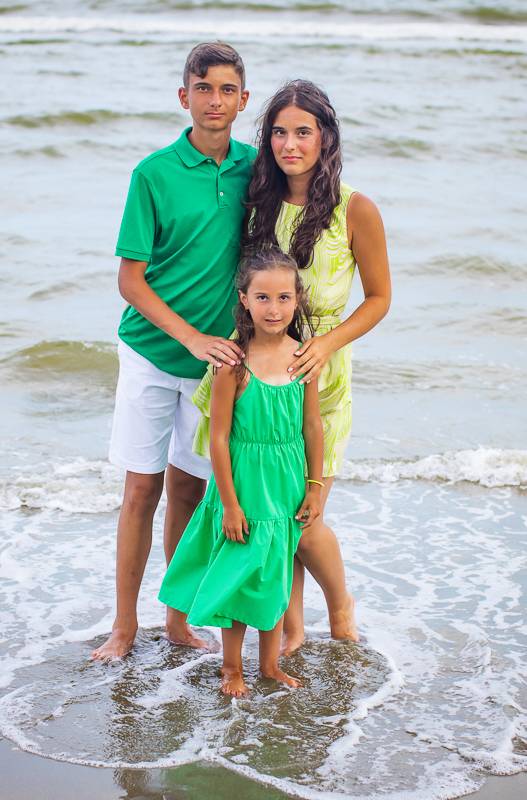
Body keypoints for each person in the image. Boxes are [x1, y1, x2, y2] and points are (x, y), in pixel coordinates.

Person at [192, 79, 392, 656]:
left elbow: (378, 298)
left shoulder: (356, 209)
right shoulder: (256, 199)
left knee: (305, 516)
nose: (289, 143)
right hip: (250, 376)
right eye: (278, 131)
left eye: (303, 131)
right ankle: (290, 627)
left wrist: (326, 344)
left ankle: (340, 604)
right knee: (265, 514)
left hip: (318, 379)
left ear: (325, 136)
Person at [91, 42, 255, 662]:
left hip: (220, 366)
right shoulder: (153, 173)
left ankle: (177, 618)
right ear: (183, 96)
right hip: (153, 355)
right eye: (203, 88)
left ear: (244, 100)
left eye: (227, 89)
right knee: (141, 489)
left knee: (189, 491)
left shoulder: (254, 169)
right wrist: (189, 337)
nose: (215, 101)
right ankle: (124, 626)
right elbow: (130, 279)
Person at [159, 250, 324, 697]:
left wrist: (315, 486)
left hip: (286, 485)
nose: (274, 308)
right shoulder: (234, 363)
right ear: (244, 299)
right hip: (244, 488)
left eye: (284, 297)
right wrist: (229, 505)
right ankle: (232, 667)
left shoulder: (305, 359)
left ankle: (268, 666)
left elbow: (312, 426)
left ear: (297, 299)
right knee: (237, 577)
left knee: (275, 576)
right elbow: (217, 438)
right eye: (263, 297)